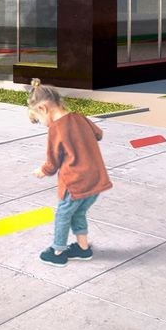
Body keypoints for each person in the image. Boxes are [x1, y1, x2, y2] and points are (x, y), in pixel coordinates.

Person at [28, 79, 111, 265]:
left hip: (75, 182)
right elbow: (99, 134)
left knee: (63, 215)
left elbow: (53, 161)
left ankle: (58, 252)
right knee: (78, 213)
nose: (44, 124)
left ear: (43, 109)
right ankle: (83, 249)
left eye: (40, 120)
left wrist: (43, 171)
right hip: (96, 180)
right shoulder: (79, 117)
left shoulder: (56, 129)